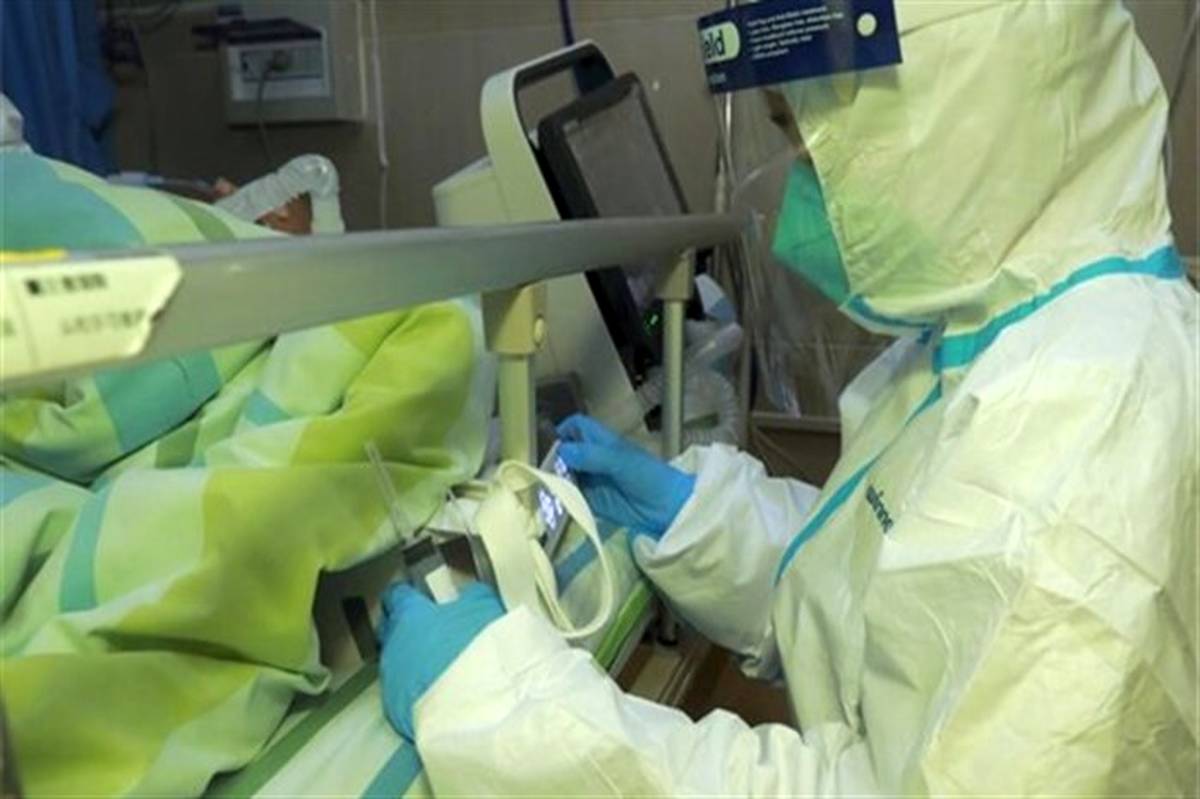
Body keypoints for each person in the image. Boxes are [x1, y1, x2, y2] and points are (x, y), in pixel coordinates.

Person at [376, 0, 1198, 794]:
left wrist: (502, 706)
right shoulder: (1011, 333)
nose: (803, 190)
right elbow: (887, 601)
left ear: (959, 128)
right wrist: (703, 522)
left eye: (814, 151)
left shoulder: (1089, 433)